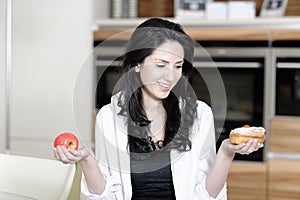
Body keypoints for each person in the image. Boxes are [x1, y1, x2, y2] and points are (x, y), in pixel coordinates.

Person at [53, 18, 263, 200]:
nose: (170, 76)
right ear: (137, 64)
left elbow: (205, 195)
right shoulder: (109, 117)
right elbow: (106, 195)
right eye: (161, 65)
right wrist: (86, 159)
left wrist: (226, 152)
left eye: (178, 66)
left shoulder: (200, 114)